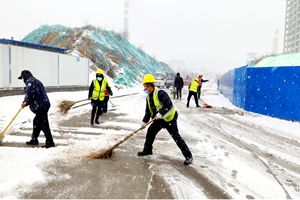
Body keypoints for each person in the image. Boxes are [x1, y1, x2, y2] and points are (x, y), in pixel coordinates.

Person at [138, 74, 193, 165]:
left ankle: (188, 156)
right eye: (143, 85)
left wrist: (160, 113)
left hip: (170, 118)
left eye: (145, 85)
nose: (144, 87)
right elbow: (148, 111)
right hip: (160, 120)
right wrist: (144, 122)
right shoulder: (148, 97)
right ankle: (147, 150)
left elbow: (169, 105)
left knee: (176, 137)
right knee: (150, 131)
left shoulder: (160, 93)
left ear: (150, 85)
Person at [18, 70, 55, 148]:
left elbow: (30, 93)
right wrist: (26, 102)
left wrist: (25, 102)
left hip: (40, 105)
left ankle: (50, 142)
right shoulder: (33, 80)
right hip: (42, 104)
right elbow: (32, 92)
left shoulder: (30, 81)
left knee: (44, 124)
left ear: (23, 76)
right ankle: (34, 139)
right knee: (36, 122)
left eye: (21, 78)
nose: (22, 80)